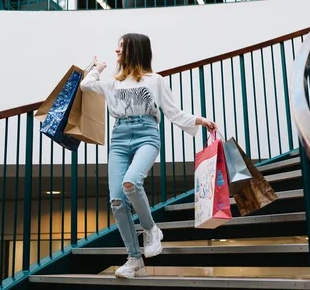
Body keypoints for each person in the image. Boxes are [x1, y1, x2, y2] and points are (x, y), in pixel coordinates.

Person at [80, 33, 217, 279]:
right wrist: (97, 68)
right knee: (117, 201)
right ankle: (134, 259)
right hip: (119, 138)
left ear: (134, 49)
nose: (116, 51)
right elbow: (86, 85)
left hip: (147, 135)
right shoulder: (114, 83)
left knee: (131, 182)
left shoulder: (156, 81)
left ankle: (151, 229)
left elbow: (175, 113)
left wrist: (201, 120)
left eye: (121, 47)